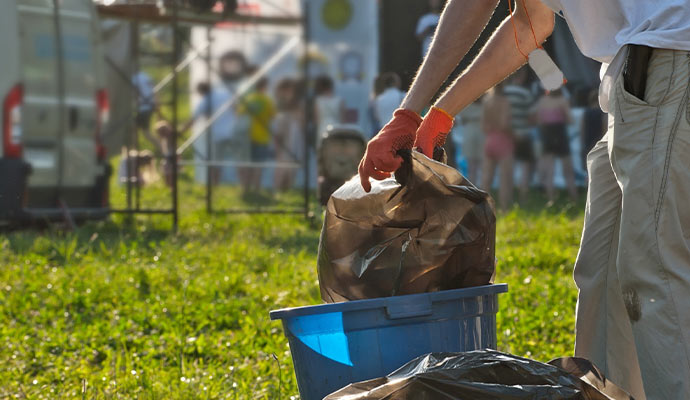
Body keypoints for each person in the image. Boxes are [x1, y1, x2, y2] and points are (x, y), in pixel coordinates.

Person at [358, 0, 690, 398]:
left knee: (654, 270)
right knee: (604, 279)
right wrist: (441, 113)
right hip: (633, 83)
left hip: (671, 60)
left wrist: (408, 114)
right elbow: (532, 21)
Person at [531, 88, 577, 203]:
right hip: (560, 134)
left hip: (546, 134)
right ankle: (574, 198)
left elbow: (538, 120)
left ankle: (550, 199)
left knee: (549, 170)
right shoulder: (562, 100)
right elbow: (570, 119)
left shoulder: (542, 101)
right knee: (568, 169)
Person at [503, 67, 536, 203]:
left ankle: (508, 197)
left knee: (508, 168)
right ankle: (523, 197)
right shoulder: (525, 94)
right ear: (521, 75)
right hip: (523, 134)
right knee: (525, 166)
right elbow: (532, 117)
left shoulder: (504, 93)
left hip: (507, 135)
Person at [238, 77, 276, 192]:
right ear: (265, 86)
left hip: (249, 136)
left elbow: (239, 113)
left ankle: (245, 188)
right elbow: (273, 116)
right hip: (263, 137)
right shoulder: (267, 100)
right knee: (259, 165)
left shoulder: (249, 99)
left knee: (247, 163)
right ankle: (256, 189)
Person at [480, 83, 514, 211]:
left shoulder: (487, 101)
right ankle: (504, 209)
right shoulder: (505, 102)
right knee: (504, 178)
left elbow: (483, 126)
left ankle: (484, 208)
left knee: (486, 178)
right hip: (503, 140)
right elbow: (504, 124)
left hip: (489, 140)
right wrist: (514, 135)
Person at [273, 78, 303, 191]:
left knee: (292, 164)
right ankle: (278, 189)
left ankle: (287, 189)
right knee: (282, 163)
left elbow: (301, 119)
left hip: (294, 134)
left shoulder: (298, 104)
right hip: (284, 132)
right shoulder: (281, 100)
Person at [132, 70, 162, 154]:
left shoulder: (133, 79)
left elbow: (135, 93)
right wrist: (157, 103)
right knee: (138, 131)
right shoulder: (145, 76)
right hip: (149, 106)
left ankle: (162, 150)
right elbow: (155, 90)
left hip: (142, 108)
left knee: (145, 133)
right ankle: (162, 150)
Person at [579, 89, 606, 173]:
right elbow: (605, 128)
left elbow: (582, 129)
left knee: (588, 168)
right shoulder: (603, 113)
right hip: (599, 141)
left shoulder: (586, 112)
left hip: (588, 142)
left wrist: (582, 143)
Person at [457, 98, 483, 184]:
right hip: (481, 133)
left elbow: (462, 120)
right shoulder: (485, 104)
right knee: (479, 166)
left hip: (470, 133)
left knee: (472, 167)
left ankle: (473, 189)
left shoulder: (467, 105)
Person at [314, 75, 344, 147]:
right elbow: (343, 120)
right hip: (336, 129)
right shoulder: (340, 100)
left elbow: (316, 120)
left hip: (322, 129)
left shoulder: (318, 101)